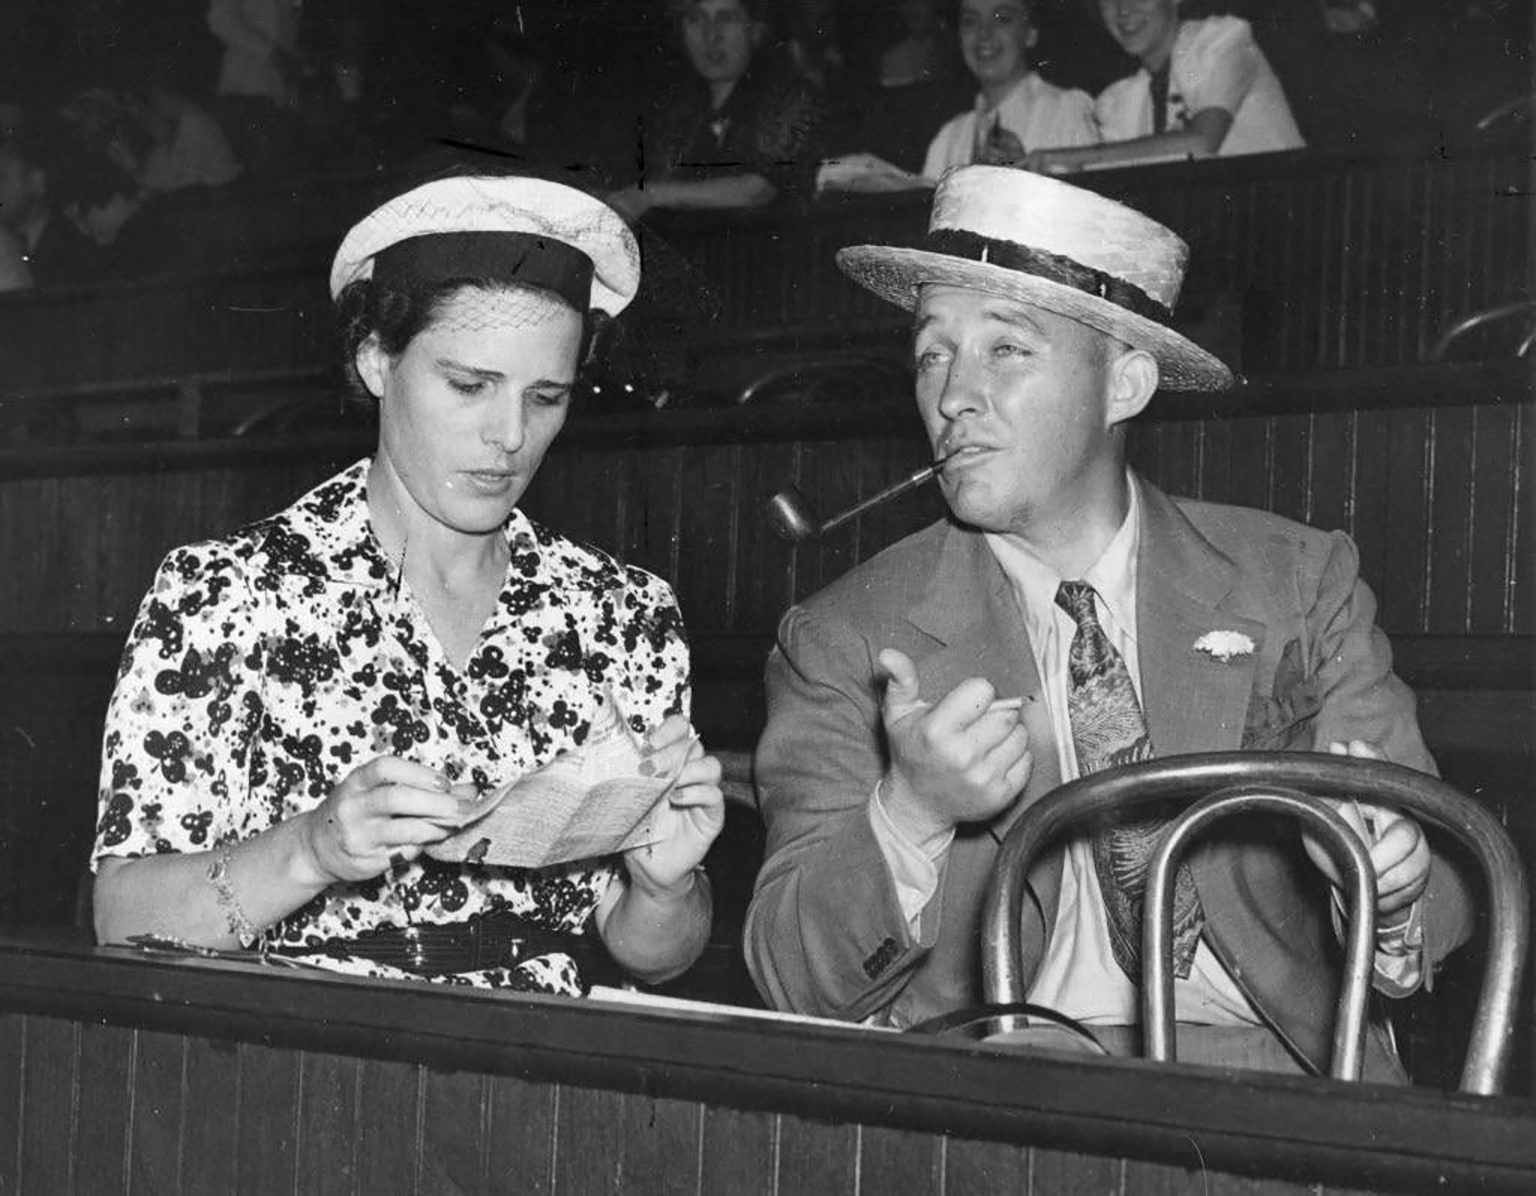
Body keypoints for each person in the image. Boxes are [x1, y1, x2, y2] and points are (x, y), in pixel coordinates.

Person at [744, 165, 1473, 1080]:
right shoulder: (846, 636)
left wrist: (1393, 889)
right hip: (1001, 1095)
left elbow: (1447, 890)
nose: (953, 395)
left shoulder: (1295, 580)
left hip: (1282, 1085)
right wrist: (912, 812)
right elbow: (789, 976)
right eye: (932, 353)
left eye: (1005, 349)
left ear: (1124, 386)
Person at [92, 170, 726, 996]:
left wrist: (662, 885)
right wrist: (310, 849)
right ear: (375, 359)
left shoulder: (623, 614)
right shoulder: (228, 594)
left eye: (547, 397)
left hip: (554, 1081)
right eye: (469, 386)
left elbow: (653, 953)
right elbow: (120, 920)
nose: (510, 437)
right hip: (296, 1065)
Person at [604, 0, 822, 221]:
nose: (711, 35)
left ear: (756, 29)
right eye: (695, 19)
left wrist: (650, 194)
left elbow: (759, 189)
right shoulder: (676, 106)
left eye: (726, 19)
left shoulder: (789, 97)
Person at [1025, 0, 1304, 173]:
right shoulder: (1121, 101)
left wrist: (1074, 157)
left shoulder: (1225, 40)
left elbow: (1202, 142)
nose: (1123, 9)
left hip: (1286, 222)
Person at [920, 0, 1098, 181]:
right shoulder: (949, 137)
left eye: (1002, 19)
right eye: (970, 21)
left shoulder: (1066, 111)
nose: (983, 33)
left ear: (1030, 33)